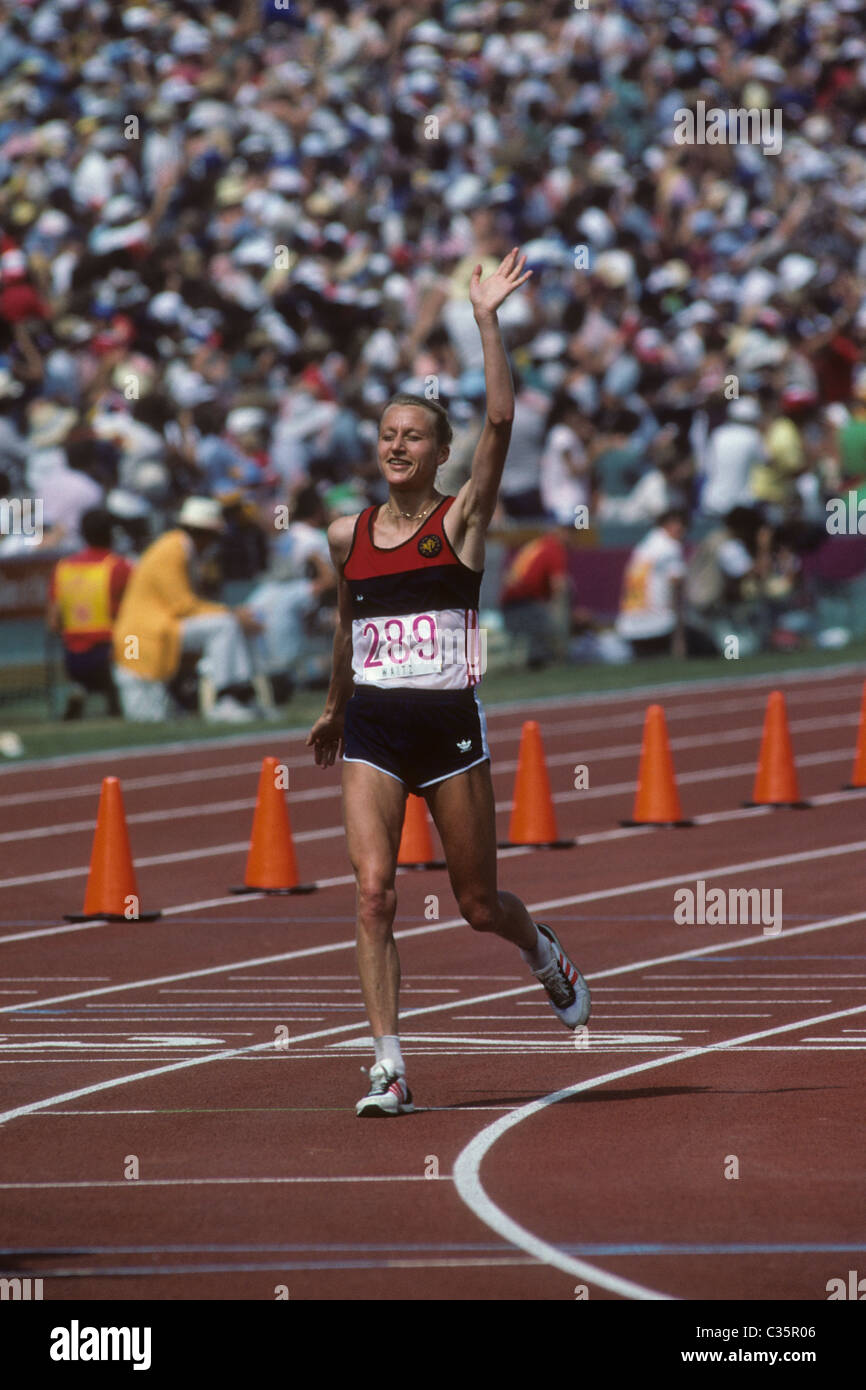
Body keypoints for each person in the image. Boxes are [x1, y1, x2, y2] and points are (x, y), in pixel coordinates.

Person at [306, 249, 591, 1118]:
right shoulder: (341, 534)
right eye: (388, 435)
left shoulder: (459, 522)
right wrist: (333, 708)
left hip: (450, 733)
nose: (397, 446)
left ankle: (539, 948)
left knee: (474, 901)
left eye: (414, 437)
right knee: (372, 891)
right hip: (375, 735)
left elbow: (499, 423)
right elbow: (349, 625)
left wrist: (485, 319)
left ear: (438, 455)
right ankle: (388, 1063)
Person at [112, 496, 264, 723]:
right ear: (204, 533)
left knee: (229, 625)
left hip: (158, 627)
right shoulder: (173, 549)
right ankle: (227, 698)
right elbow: (182, 605)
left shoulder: (179, 548)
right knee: (225, 625)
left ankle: (243, 694)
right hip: (146, 632)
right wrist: (231, 614)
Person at [47, 507, 133, 718]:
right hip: (109, 657)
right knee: (135, 638)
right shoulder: (120, 566)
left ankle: (80, 688)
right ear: (112, 533)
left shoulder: (63, 567)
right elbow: (135, 614)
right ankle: (125, 689)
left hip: (73, 660)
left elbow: (53, 622)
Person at [615, 507, 688, 658]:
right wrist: (679, 635)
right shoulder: (670, 547)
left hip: (632, 622)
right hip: (659, 622)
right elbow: (676, 587)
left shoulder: (643, 547)